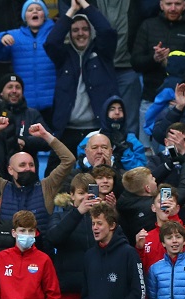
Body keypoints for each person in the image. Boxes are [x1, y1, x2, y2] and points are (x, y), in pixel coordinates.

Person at [44, 0, 119, 172]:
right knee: (53, 175)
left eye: (85, 29)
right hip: (67, 129)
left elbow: (107, 31)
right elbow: (51, 42)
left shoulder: (103, 53)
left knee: (100, 175)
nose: (80, 34)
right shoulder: (63, 56)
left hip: (97, 129)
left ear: (91, 31)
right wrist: (72, 10)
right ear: (69, 33)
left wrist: (85, 5)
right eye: (75, 30)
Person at [0, 117, 76, 239]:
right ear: (10, 170)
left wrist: (45, 135)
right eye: (22, 165)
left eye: (31, 165)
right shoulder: (1, 187)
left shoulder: (47, 186)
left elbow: (69, 160)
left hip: (42, 253)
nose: (27, 168)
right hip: (7, 254)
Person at [131, 0, 185, 152]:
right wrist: (154, 58)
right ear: (161, 5)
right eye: (168, 4)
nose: (173, 8)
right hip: (150, 98)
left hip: (179, 102)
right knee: (147, 151)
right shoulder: (148, 25)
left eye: (177, 4)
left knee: (176, 149)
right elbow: (135, 61)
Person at [0, 210, 60, 299]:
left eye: (30, 231)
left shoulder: (43, 260)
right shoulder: (1, 258)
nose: (27, 235)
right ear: (14, 233)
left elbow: (53, 295)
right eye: (22, 230)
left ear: (35, 233)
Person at [0, 0, 55, 117]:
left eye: (39, 9)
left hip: (52, 105)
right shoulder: (15, 36)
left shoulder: (54, 33)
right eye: (30, 10)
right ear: (25, 17)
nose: (35, 12)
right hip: (25, 105)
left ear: (45, 15)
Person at [46, 173, 98, 299]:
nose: (85, 198)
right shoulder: (59, 216)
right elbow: (54, 237)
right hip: (69, 296)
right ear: (72, 195)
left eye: (89, 193)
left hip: (98, 295)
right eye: (81, 193)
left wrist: (108, 211)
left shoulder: (102, 218)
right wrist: (78, 213)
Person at [82, 202, 145, 299]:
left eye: (99, 223)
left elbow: (140, 292)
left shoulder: (129, 253)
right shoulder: (89, 256)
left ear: (112, 225)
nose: (95, 228)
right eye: (93, 223)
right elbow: (85, 293)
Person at [0, 73, 52, 175]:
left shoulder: (32, 114)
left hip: (27, 175)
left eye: (18, 87)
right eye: (10, 87)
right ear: (1, 92)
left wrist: (25, 141)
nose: (14, 91)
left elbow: (47, 141)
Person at [76, 96, 147, 172]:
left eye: (120, 109)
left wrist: (124, 150)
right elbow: (80, 167)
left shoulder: (132, 140)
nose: (117, 112)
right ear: (105, 113)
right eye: (112, 109)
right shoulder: (91, 137)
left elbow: (141, 172)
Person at [135, 184, 182, 273]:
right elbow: (142, 271)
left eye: (170, 202)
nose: (166, 206)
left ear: (177, 208)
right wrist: (139, 249)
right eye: (161, 202)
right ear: (153, 208)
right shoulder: (146, 238)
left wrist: (173, 217)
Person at [116, 167, 158, 245]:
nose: (155, 179)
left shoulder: (124, 203)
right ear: (147, 188)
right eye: (152, 178)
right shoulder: (155, 206)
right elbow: (184, 190)